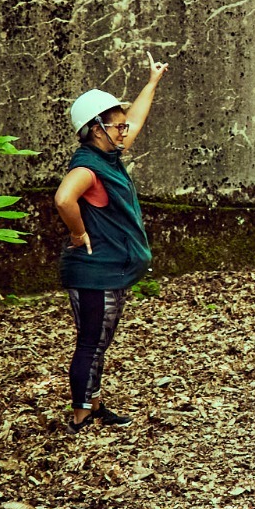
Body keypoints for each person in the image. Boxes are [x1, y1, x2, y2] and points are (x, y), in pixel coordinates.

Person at [53, 61, 168, 434]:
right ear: (96, 129)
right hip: (93, 272)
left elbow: (135, 119)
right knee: (90, 342)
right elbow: (63, 199)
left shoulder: (108, 156)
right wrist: (76, 234)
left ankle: (94, 404)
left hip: (107, 270)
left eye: (121, 125)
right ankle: (82, 416)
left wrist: (151, 82)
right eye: (116, 126)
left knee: (98, 342)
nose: (124, 131)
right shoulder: (88, 167)